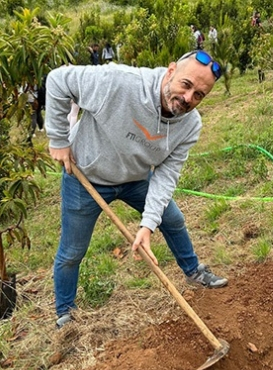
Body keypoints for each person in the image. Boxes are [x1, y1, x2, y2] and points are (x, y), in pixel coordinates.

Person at [45, 50, 228, 329]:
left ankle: (193, 272)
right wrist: (58, 139)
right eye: (186, 85)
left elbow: (166, 175)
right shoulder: (119, 83)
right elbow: (58, 80)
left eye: (199, 95)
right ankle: (65, 315)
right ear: (170, 71)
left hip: (134, 179)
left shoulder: (190, 125)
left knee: (173, 219)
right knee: (72, 252)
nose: (189, 98)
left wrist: (148, 225)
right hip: (86, 177)